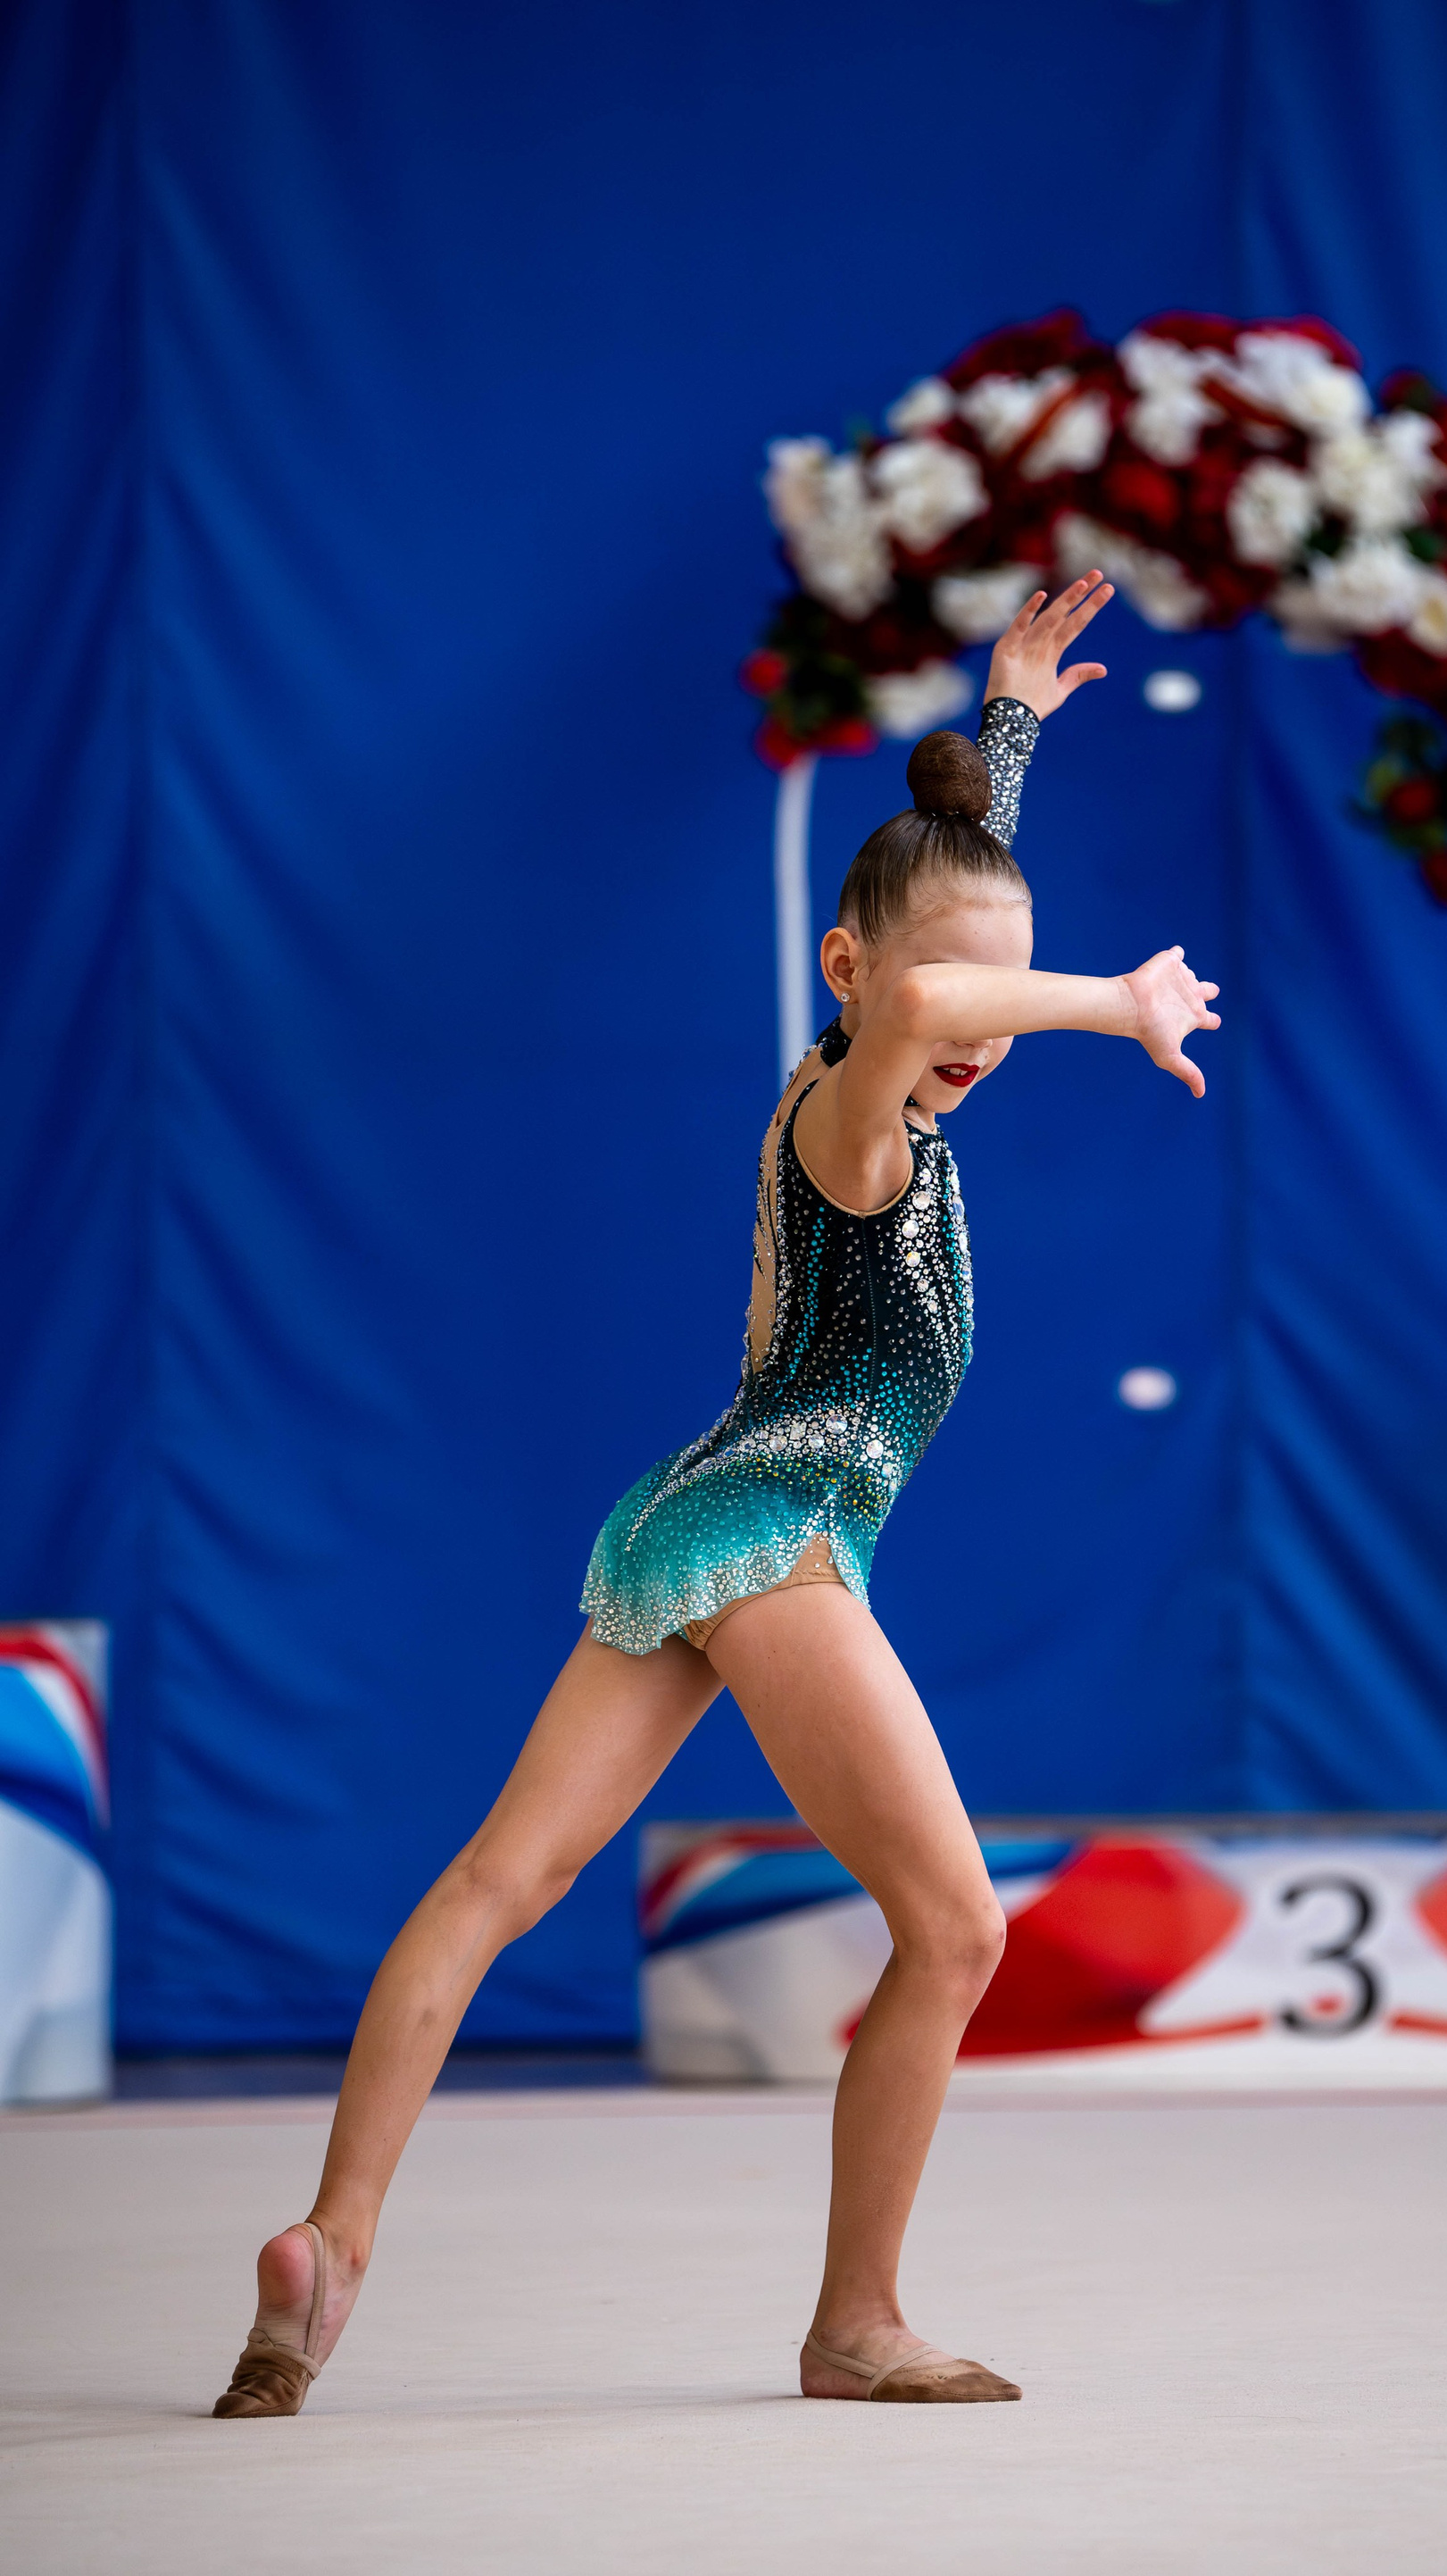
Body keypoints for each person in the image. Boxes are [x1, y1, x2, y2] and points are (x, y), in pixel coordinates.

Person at [213, 572, 1219, 2416]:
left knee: (501, 1877)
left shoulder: (891, 1081)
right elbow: (930, 980)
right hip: (779, 1530)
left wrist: (1003, 728)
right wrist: (1113, 996)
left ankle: (327, 2249)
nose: (981, 1033)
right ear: (843, 975)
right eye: (957, 1001)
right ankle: (856, 2322)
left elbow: (943, 935)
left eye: (1011, 1003)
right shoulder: (856, 1118)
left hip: (691, 1515)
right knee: (958, 1928)